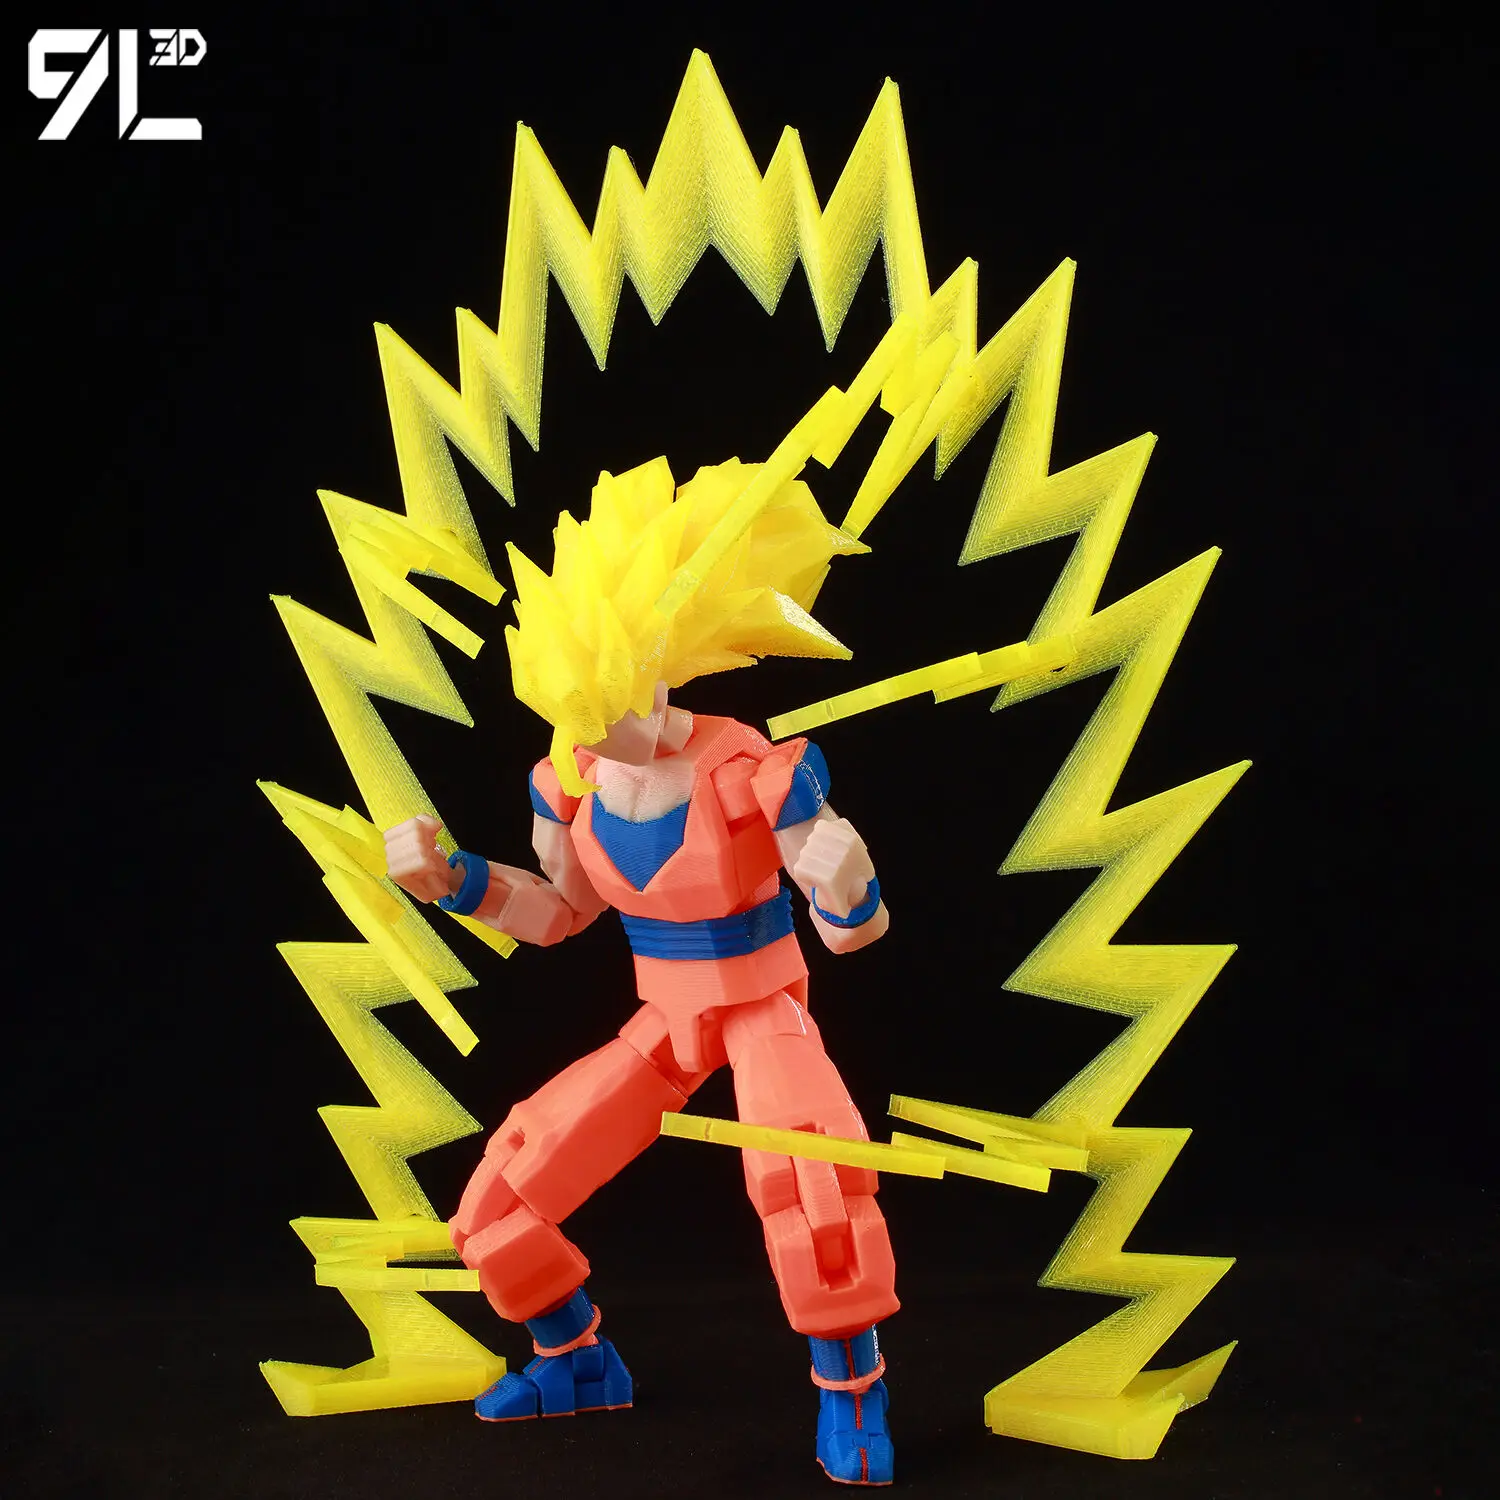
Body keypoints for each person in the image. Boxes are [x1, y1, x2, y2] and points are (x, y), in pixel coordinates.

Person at [385, 455, 897, 1485]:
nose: (587, 735)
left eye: (602, 705)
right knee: (501, 1195)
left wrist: (849, 889)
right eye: (569, 712)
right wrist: (452, 881)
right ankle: (576, 1360)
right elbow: (561, 912)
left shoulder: (752, 771)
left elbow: (852, 933)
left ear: (652, 669)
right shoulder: (569, 779)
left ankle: (853, 1397)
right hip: (662, 1020)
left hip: (763, 1005)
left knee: (815, 1193)